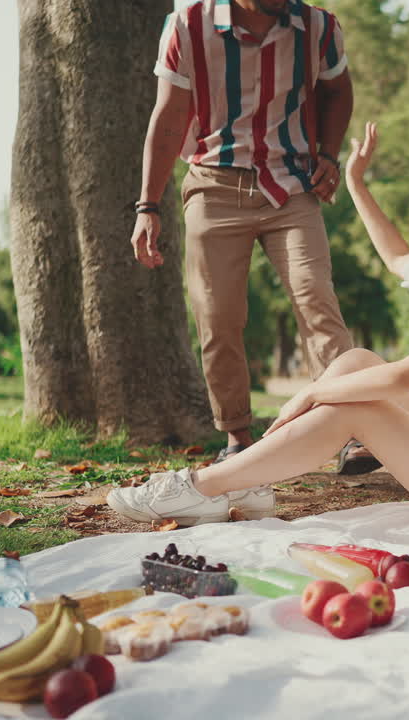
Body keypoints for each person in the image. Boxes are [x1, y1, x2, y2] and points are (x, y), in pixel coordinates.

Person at [108, 122, 409, 536]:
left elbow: (402, 378)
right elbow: (396, 258)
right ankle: (247, 483)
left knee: (356, 406)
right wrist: (356, 183)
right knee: (354, 363)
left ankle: (200, 487)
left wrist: (313, 392)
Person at [130, 0, 356, 470]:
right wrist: (148, 206)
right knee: (218, 316)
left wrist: (329, 155)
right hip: (214, 185)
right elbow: (168, 118)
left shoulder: (318, 27)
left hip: (292, 185)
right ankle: (237, 437)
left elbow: (338, 92)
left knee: (316, 297)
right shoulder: (188, 27)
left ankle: (351, 427)